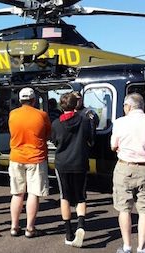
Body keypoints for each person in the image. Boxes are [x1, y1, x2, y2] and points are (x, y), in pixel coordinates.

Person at [111, 93, 145, 253]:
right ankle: (141, 249)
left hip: (125, 168)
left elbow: (113, 145)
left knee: (124, 208)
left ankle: (127, 247)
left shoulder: (119, 122)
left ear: (128, 107)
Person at [8, 87, 51, 238]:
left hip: (16, 157)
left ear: (20, 100)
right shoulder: (42, 115)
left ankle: (14, 227)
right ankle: (30, 228)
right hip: (36, 158)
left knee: (17, 193)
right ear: (34, 100)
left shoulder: (12, 115)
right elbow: (48, 134)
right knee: (33, 193)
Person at [51, 92, 92, 247]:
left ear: (62, 106)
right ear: (76, 104)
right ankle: (80, 225)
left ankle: (69, 233)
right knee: (81, 197)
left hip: (62, 164)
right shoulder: (85, 121)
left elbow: (55, 142)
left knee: (65, 197)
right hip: (80, 163)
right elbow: (90, 140)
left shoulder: (55, 124)